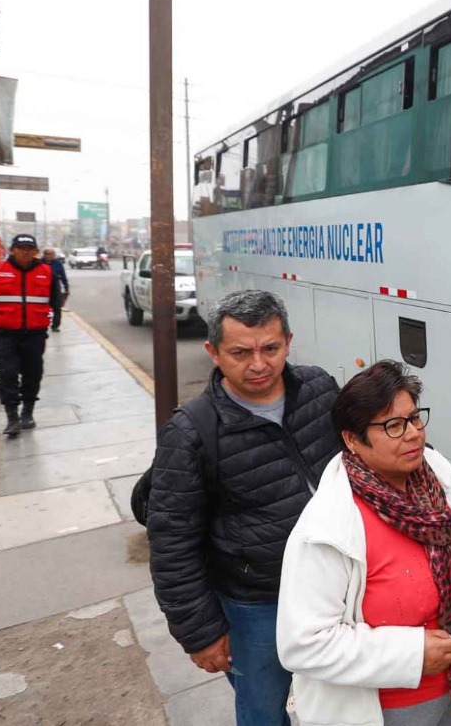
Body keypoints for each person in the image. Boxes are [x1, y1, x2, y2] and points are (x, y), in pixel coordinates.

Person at [146, 289, 341, 726]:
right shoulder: (192, 431)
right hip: (256, 606)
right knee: (262, 711)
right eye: (240, 352)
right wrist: (201, 632)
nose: (258, 364)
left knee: (342, 703)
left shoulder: (320, 389)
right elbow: (172, 542)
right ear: (214, 352)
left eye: (270, 348)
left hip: (337, 589)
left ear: (288, 341)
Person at [277, 360, 451, 726]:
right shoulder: (327, 526)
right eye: (393, 425)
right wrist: (411, 654)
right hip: (383, 709)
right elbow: (303, 644)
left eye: (414, 418)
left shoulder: (434, 473)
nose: (413, 435)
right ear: (351, 439)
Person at [0, 234, 62, 437]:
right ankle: (12, 417)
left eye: (29, 248)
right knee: (8, 373)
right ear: (12, 249)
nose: (25, 251)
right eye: (21, 247)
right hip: (4, 333)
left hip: (34, 333)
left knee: (32, 373)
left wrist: (54, 322)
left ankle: (28, 412)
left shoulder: (47, 273)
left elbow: (55, 301)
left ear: (35, 251)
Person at [42, 249, 70, 332]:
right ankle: (42, 324)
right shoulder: (39, 263)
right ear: (44, 255)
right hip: (42, 286)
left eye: (51, 254)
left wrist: (66, 288)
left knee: (57, 308)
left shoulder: (58, 264)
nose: (49, 256)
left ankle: (55, 326)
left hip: (55, 287)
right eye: (48, 254)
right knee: (42, 308)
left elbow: (63, 276)